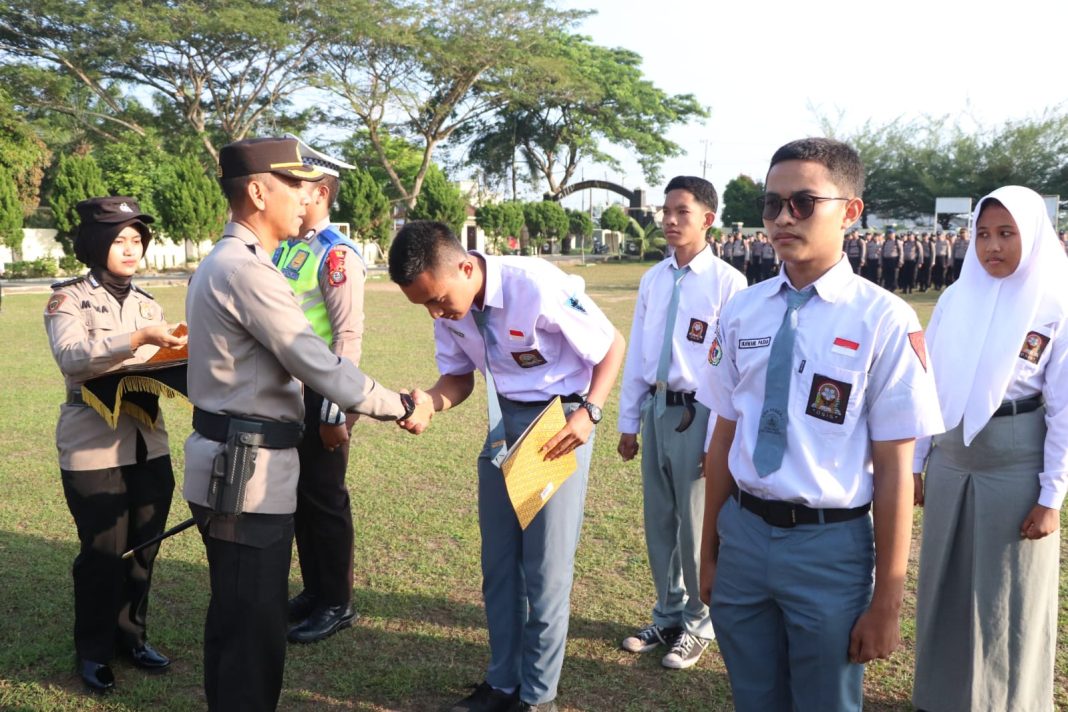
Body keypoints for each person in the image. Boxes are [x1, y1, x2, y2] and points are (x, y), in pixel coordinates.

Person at [183, 136, 431, 711]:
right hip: (247, 472)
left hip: (234, 464)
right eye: (293, 185)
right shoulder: (247, 271)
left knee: (237, 618)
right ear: (255, 190)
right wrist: (399, 405)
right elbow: (318, 361)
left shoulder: (227, 263)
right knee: (252, 633)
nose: (306, 196)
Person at [697, 138, 943, 711]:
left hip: (829, 547)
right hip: (746, 537)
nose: (783, 218)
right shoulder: (741, 311)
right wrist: (710, 551)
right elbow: (723, 438)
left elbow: (894, 470)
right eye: (772, 203)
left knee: (826, 702)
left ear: (850, 211)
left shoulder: (883, 319)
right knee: (753, 698)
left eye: (803, 202)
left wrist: (887, 600)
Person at [388, 221, 625, 712]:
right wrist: (431, 402)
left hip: (556, 426)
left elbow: (610, 346)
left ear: (466, 267)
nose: (436, 312)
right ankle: (502, 684)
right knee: (499, 566)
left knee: (544, 569)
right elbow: (458, 378)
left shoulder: (534, 284)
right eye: (426, 306)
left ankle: (537, 697)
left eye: (438, 300)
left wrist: (591, 412)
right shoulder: (448, 305)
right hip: (503, 426)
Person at [912, 186, 1068, 712]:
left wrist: (1051, 497)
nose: (991, 247)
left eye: (1006, 234)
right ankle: (942, 697)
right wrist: (917, 462)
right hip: (952, 459)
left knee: (1008, 596)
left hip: (1015, 462)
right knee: (946, 582)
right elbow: (927, 380)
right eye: (982, 234)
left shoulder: (1057, 301)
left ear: (1034, 235)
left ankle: (1008, 702)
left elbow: (1065, 411)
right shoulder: (958, 296)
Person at [44, 196, 186, 692]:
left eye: (136, 240)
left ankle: (132, 636)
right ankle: (93, 650)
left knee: (143, 550)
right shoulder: (68, 299)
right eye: (118, 240)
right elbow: (73, 358)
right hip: (93, 448)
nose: (130, 249)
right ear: (95, 244)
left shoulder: (150, 302)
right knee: (103, 553)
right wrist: (136, 339)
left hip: (150, 443)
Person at [616, 176, 746, 670]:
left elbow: (734, 369)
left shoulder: (728, 284)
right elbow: (639, 357)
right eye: (665, 212)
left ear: (707, 219)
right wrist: (630, 421)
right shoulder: (653, 279)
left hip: (703, 414)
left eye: (682, 212)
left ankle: (699, 622)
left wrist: (720, 441)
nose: (669, 220)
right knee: (660, 524)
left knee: (697, 526)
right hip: (658, 407)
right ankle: (667, 613)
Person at [271, 137, 365, 644]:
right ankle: (313, 590)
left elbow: (347, 339)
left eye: (299, 187)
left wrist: (336, 411)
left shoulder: (336, 256)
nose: (291, 195)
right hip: (286, 393)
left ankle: (337, 602)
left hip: (319, 395)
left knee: (326, 498)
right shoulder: (288, 247)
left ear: (322, 193)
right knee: (301, 497)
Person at [880, 227, 903, 291]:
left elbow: (901, 252)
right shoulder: (885, 242)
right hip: (886, 260)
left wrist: (900, 261)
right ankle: (887, 286)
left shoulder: (897, 242)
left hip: (894, 260)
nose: (889, 235)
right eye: (888, 233)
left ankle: (893, 287)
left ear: (894, 234)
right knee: (887, 274)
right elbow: (882, 252)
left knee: (894, 275)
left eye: (891, 233)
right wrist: (881, 261)